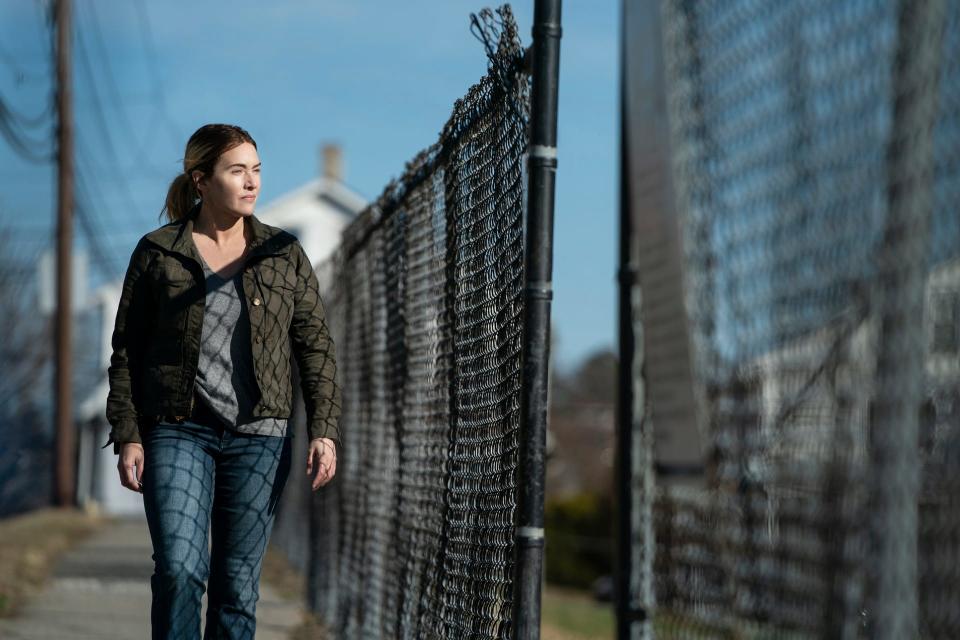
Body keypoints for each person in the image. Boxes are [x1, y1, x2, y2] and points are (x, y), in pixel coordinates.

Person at [104, 123, 341, 639]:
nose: (252, 182)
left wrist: (324, 428)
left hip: (261, 436)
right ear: (201, 180)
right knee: (180, 571)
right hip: (176, 428)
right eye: (237, 171)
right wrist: (127, 432)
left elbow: (315, 346)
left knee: (236, 588)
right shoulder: (158, 252)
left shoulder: (283, 254)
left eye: (256, 170)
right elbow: (127, 349)